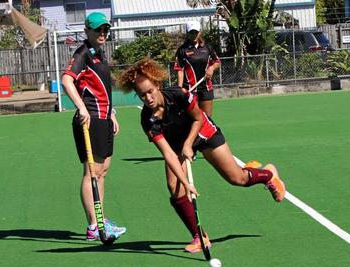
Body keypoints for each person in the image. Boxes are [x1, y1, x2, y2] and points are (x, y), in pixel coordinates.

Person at [118, 58, 286, 253]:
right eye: (141, 95)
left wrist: (188, 144)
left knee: (237, 178)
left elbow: (198, 118)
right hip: (176, 145)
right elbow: (168, 154)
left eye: (150, 91)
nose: (147, 98)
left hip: (203, 131)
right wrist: (186, 183)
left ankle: (267, 175)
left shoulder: (179, 95)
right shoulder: (147, 120)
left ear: (158, 85)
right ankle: (200, 236)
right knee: (175, 187)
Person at [61, 12, 125, 242]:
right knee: (92, 173)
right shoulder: (83, 54)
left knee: (103, 171)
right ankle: (93, 225)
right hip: (91, 120)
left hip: (104, 118)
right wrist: (82, 108)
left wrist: (112, 113)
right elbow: (67, 79)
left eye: (105, 30)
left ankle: (101, 220)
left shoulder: (100, 55)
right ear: (87, 30)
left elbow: (102, 89)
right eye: (98, 30)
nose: (103, 33)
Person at [174, 20, 221, 117]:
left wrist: (211, 68)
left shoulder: (207, 47)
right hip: (190, 89)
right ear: (187, 33)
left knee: (207, 118)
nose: (194, 34)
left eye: (196, 32)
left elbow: (217, 61)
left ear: (200, 32)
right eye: (191, 32)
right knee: (193, 119)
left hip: (206, 88)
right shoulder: (182, 50)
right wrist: (179, 90)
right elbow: (179, 70)